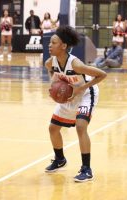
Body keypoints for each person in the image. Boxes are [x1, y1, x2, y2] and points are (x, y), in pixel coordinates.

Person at [44, 26, 107, 182]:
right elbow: (52, 73)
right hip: (71, 94)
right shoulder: (49, 63)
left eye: (53, 42)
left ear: (64, 46)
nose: (49, 45)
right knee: (53, 128)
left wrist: (81, 88)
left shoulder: (76, 64)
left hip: (87, 93)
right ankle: (60, 159)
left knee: (80, 126)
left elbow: (102, 74)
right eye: (50, 43)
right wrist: (53, 87)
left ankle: (86, 169)